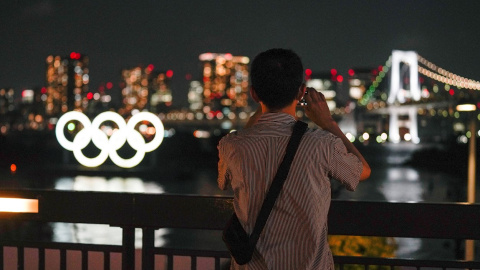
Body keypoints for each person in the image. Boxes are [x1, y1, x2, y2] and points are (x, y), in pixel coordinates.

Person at [217, 48, 371, 270]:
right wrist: (328, 123)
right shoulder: (322, 144)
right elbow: (363, 171)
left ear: (253, 93)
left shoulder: (231, 146)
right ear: (301, 92)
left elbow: (223, 182)